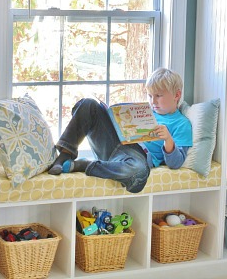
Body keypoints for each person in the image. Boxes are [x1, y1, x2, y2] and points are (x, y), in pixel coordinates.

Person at [48, 67, 192, 193]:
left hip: (137, 156)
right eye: (150, 96)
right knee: (88, 104)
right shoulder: (145, 110)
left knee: (139, 172)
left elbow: (176, 163)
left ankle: (86, 164)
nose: (153, 101)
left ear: (176, 95)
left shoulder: (182, 124)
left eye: (159, 96)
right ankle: (64, 156)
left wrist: (168, 140)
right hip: (115, 143)